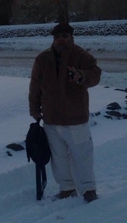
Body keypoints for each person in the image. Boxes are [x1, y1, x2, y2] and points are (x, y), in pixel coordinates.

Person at [29, 23, 102, 203]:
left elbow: (95, 74)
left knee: (82, 156)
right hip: (51, 119)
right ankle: (67, 188)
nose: (61, 39)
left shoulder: (81, 55)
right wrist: (34, 108)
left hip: (75, 118)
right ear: (53, 38)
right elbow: (35, 86)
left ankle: (88, 189)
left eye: (64, 35)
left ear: (71, 37)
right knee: (59, 158)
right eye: (57, 36)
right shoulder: (43, 58)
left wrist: (81, 76)